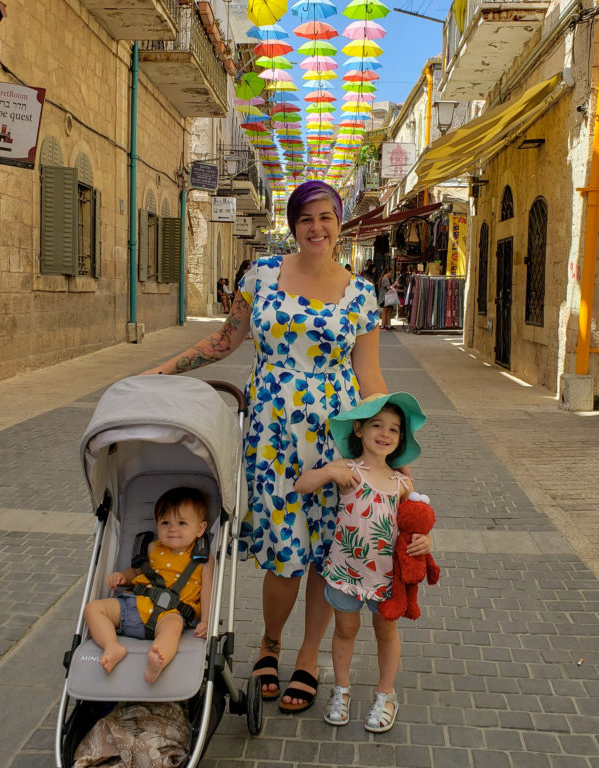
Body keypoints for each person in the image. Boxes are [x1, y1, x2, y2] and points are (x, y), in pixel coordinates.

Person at [141, 180, 387, 713]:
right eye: (306, 219)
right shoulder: (262, 276)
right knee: (284, 551)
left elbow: (369, 378)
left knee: (325, 548)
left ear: (339, 223)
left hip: (336, 434)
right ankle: (270, 643)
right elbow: (225, 341)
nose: (317, 228)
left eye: (326, 217)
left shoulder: (361, 295)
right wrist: (159, 373)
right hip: (272, 435)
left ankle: (307, 655)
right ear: (294, 225)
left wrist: (391, 447)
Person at [294, 392, 430, 733]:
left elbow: (417, 525)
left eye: (394, 430)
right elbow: (301, 485)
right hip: (345, 573)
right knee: (345, 630)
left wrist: (426, 542)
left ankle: (386, 694)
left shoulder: (403, 484)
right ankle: (341, 690)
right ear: (359, 430)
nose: (385, 433)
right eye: (376, 425)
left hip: (386, 579)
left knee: (386, 632)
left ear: (400, 440)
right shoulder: (347, 471)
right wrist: (328, 472)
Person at [83, 487, 214, 684]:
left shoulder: (203, 558)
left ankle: (157, 661)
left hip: (170, 613)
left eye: (182, 523)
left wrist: (205, 620)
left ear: (200, 529)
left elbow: (207, 590)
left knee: (173, 630)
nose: (172, 529)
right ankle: (112, 645)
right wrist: (122, 577)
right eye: (165, 522)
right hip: (133, 603)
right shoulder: (152, 548)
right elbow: (136, 571)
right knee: (93, 608)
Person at [378, 266, 395, 331]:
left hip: (386, 297)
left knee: (389, 310)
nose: (391, 274)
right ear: (387, 272)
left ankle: (388, 325)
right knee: (385, 311)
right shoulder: (385, 278)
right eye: (390, 272)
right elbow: (388, 288)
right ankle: (383, 325)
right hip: (385, 297)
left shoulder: (385, 278)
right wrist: (394, 284)